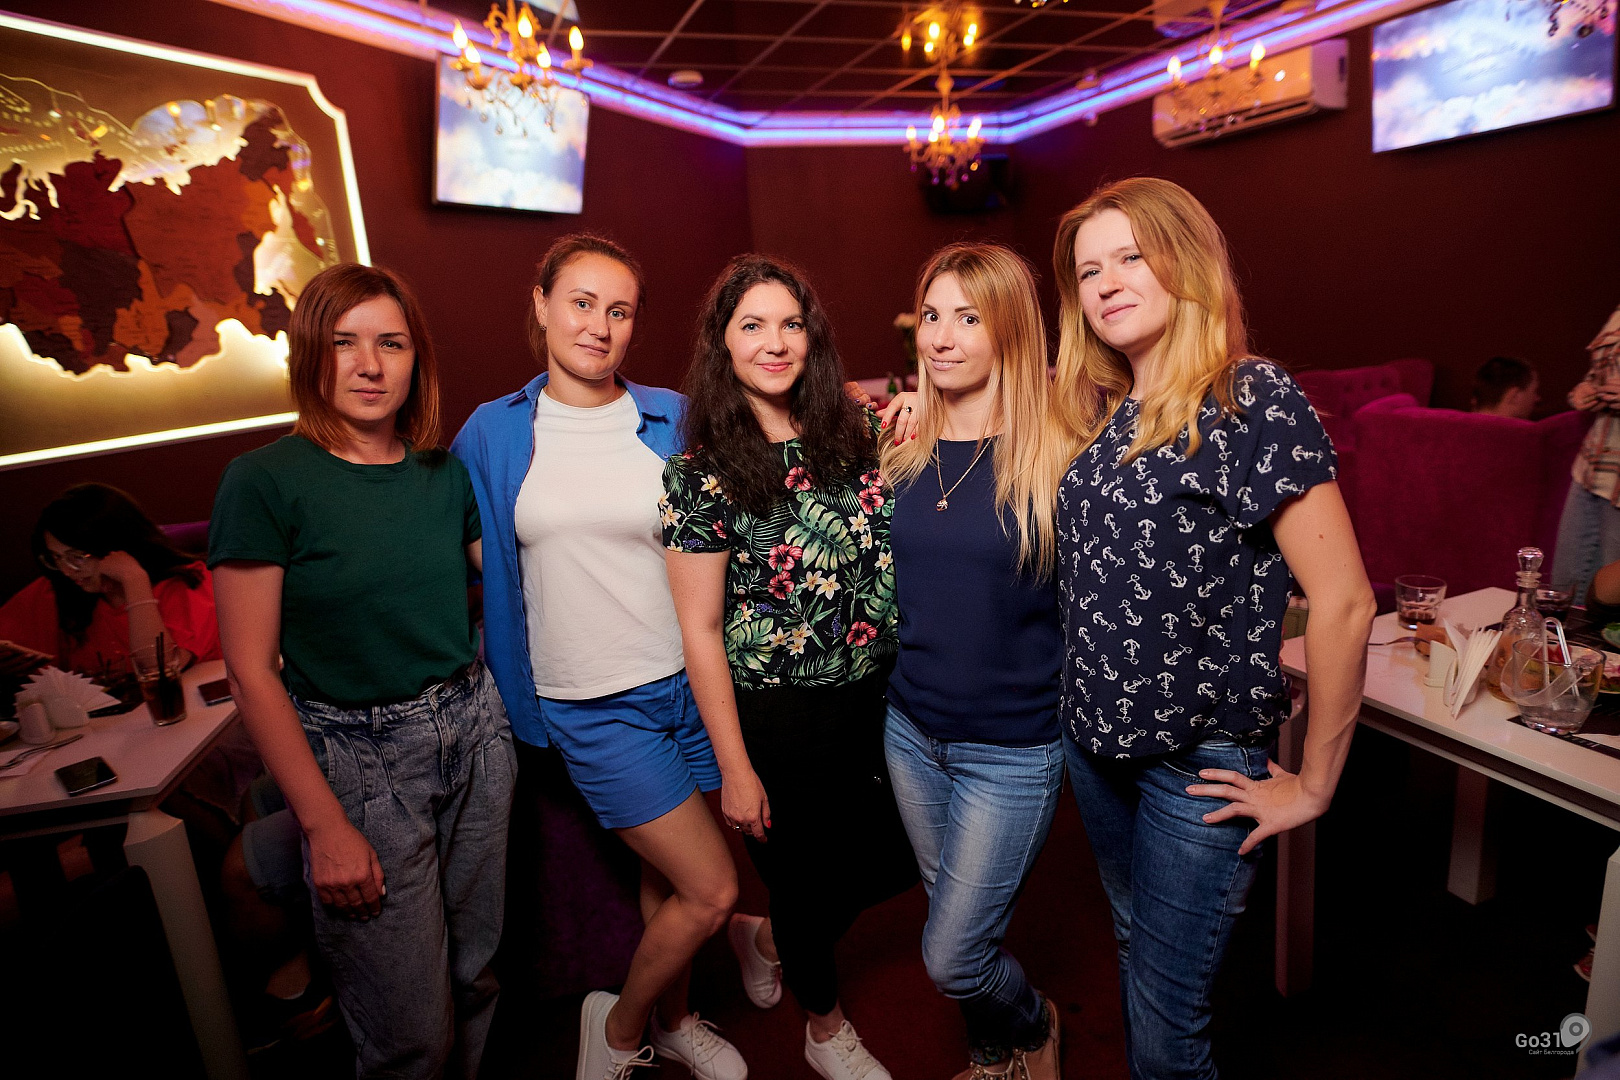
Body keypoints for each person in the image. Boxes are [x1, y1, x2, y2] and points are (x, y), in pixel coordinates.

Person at [1050, 176, 1375, 1079]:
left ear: (1186, 264)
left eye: (1131, 256)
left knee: (1167, 1027)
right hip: (1096, 750)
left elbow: (1345, 602)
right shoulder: (1105, 415)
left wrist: (1314, 786)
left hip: (1198, 767)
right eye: (1088, 270)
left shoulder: (1248, 396)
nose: (1106, 282)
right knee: (1135, 951)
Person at [450, 234, 745, 1080]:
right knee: (714, 889)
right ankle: (615, 1030)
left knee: (669, 879)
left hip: (691, 686)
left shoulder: (674, 416)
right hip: (591, 702)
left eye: (619, 311)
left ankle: (679, 1019)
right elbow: (473, 552)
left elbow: (749, 492)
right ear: (541, 304)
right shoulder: (493, 432)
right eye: (581, 303)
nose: (599, 326)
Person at [211, 263, 515, 1080]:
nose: (371, 365)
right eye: (345, 343)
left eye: (392, 343)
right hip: (360, 757)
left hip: (476, 730)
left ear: (417, 359)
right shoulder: (264, 481)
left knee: (475, 977)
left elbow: (520, 585)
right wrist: (323, 826)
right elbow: (250, 672)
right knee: (410, 1032)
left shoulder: (442, 474)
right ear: (311, 353)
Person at [661, 255, 917, 1080]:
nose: (775, 343)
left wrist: (926, 405)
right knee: (805, 882)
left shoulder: (860, 433)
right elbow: (700, 630)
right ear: (722, 343)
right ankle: (824, 1029)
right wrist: (735, 768)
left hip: (883, 696)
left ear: (813, 337)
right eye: (753, 325)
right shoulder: (699, 476)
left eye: (791, 324)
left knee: (899, 859)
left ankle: (766, 939)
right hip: (780, 717)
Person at [880, 243, 1070, 1080]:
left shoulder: (1057, 454)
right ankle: (993, 1055)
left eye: (968, 318)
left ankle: (1034, 1024)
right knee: (952, 916)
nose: (941, 337)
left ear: (1010, 332)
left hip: (1014, 749)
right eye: (931, 315)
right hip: (910, 733)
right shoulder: (899, 449)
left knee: (953, 955)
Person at [0, 483, 220, 680]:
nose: (67, 570)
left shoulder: (186, 584)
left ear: (117, 547)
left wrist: (134, 581)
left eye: (77, 557)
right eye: (56, 558)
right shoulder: (58, 588)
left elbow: (159, 670)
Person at [1552, 303, 1620, 605]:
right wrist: (1586, 391)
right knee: (1563, 588)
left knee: (1608, 601)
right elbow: (1599, 375)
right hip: (1593, 467)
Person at [1468, 356, 1539, 418]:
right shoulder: (1533, 429)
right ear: (1515, 396)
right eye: (1534, 391)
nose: (1537, 399)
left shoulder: (1463, 427)